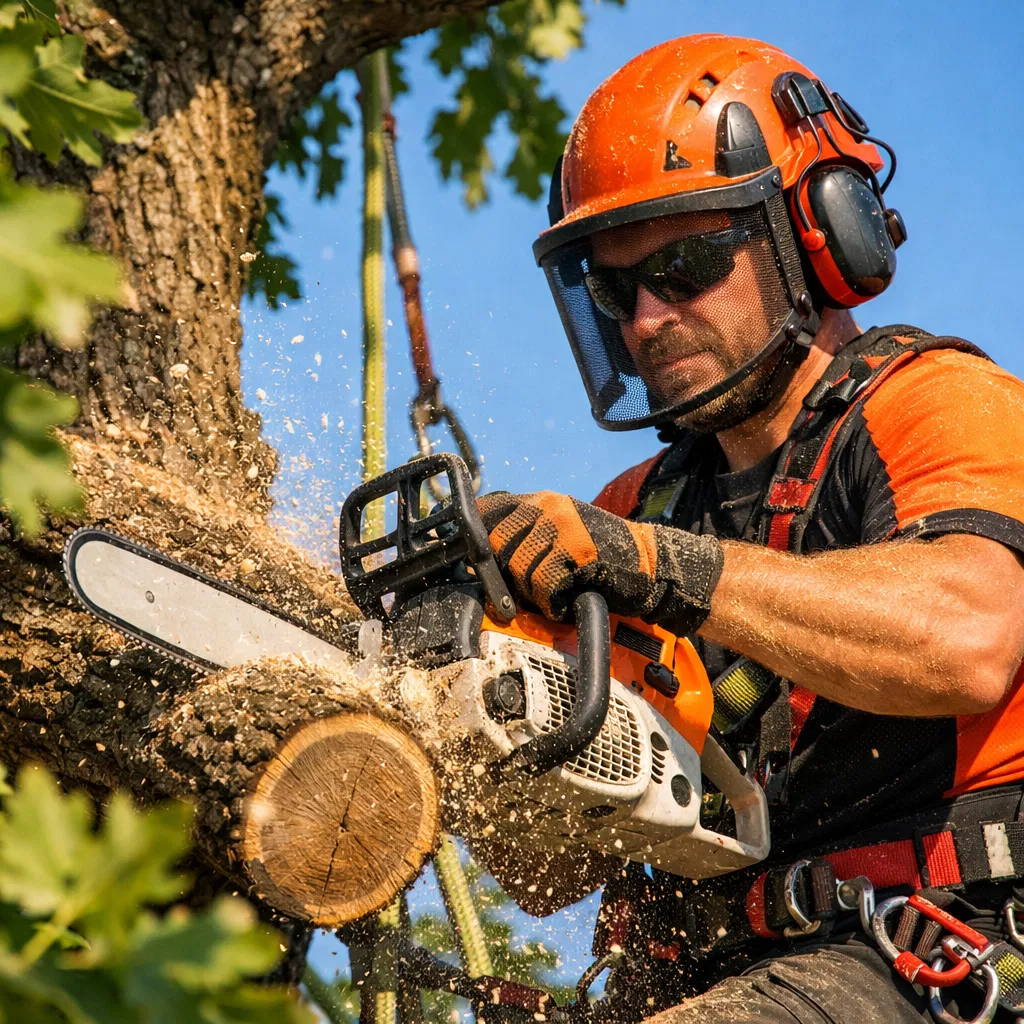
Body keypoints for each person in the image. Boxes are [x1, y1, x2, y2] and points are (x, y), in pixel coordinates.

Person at [476, 34, 1024, 1022]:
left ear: (814, 231)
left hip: (937, 947)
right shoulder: (633, 503)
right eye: (614, 288)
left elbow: (971, 636)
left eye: (684, 265)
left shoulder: (935, 403)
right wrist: (481, 708)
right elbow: (541, 876)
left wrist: (658, 568)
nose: (646, 318)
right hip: (712, 972)